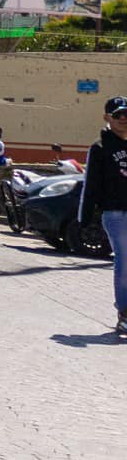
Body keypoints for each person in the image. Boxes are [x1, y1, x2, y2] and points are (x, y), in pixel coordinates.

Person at [79, 96, 127, 335]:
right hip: (115, 213)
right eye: (118, 115)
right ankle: (124, 313)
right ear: (107, 117)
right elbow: (91, 185)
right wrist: (84, 217)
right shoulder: (99, 147)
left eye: (126, 114)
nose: (123, 119)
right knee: (124, 259)